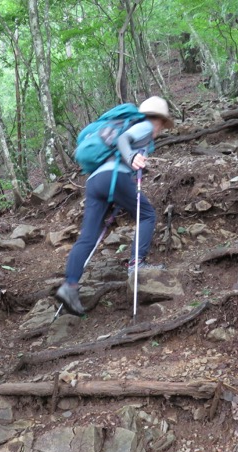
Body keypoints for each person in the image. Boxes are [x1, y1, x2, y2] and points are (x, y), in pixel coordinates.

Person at [55, 96, 174, 317]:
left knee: (87, 238)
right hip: (113, 178)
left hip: (94, 182)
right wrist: (130, 158)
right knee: (147, 214)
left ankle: (69, 286)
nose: (161, 129)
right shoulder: (145, 126)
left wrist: (133, 163)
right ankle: (137, 264)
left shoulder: (134, 128)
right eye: (162, 124)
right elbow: (124, 141)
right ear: (157, 119)